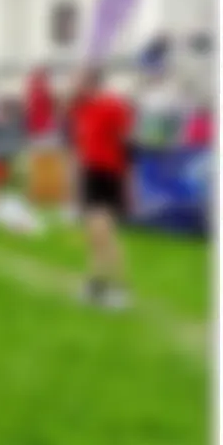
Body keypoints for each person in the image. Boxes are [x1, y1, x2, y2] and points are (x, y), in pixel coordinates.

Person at [69, 68, 133, 309]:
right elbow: (82, 143)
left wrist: (126, 178)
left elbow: (124, 140)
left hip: (107, 172)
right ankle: (97, 283)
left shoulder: (110, 106)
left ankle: (118, 286)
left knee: (104, 232)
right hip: (92, 171)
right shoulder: (82, 109)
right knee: (96, 235)